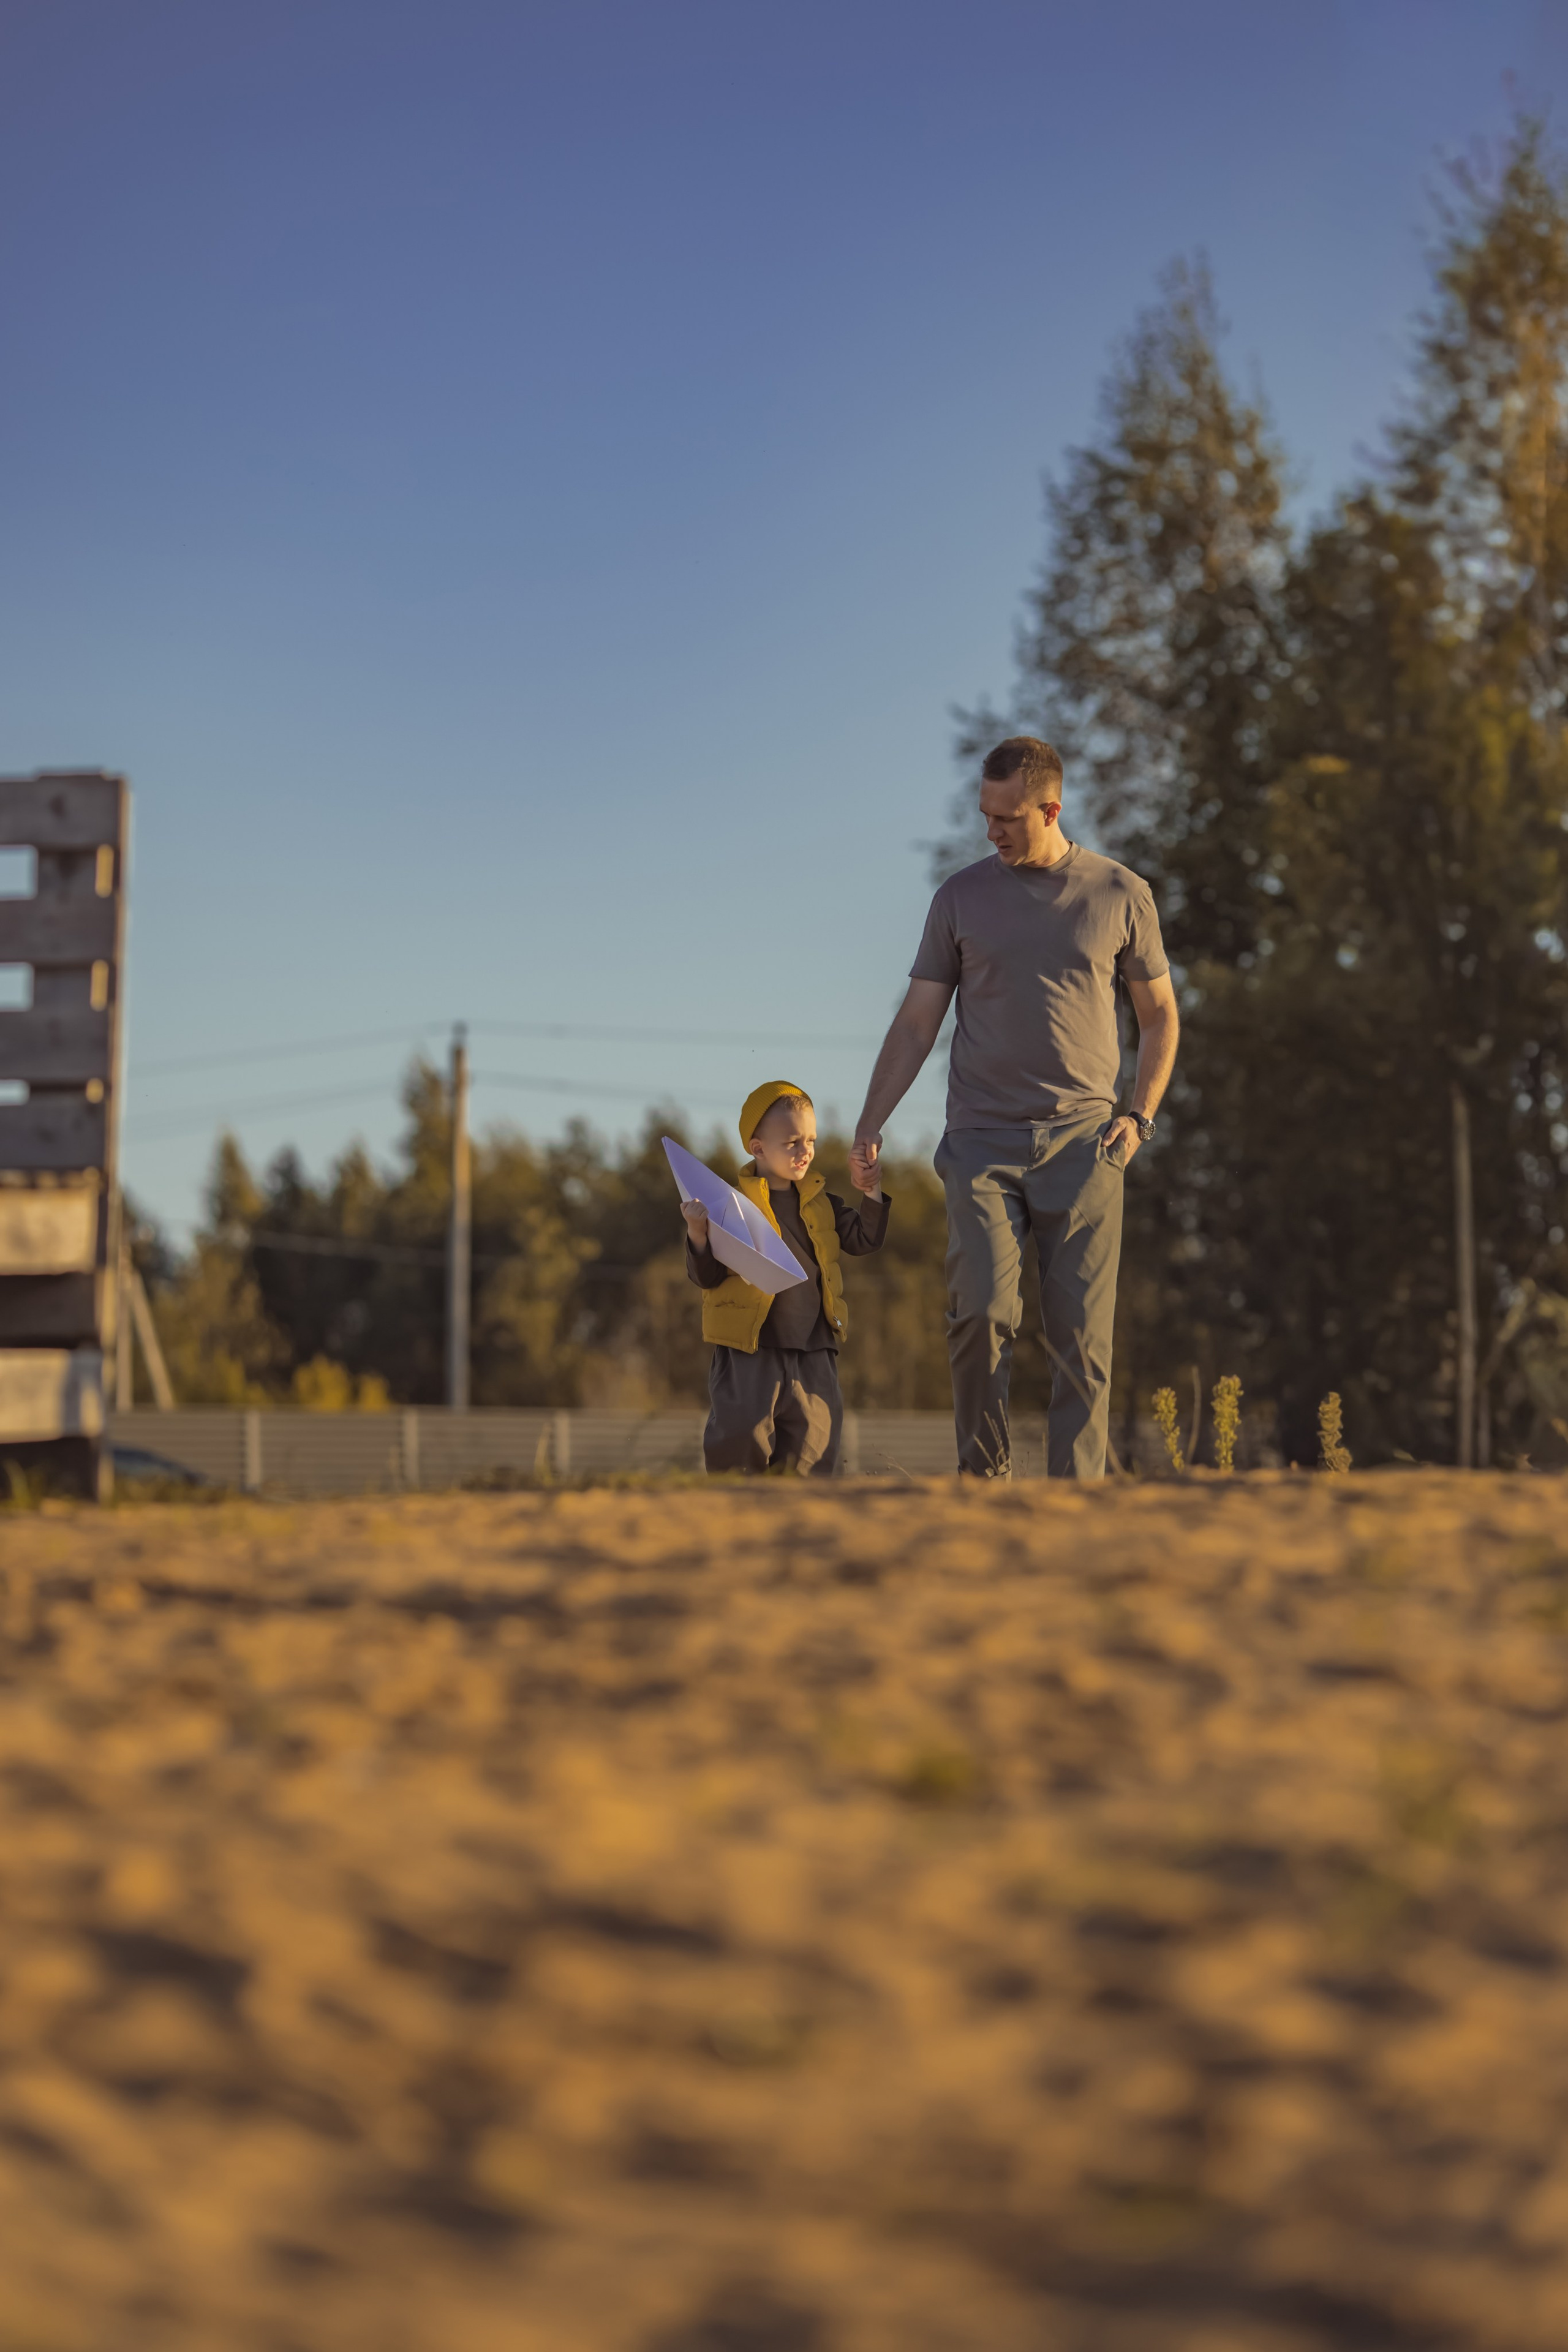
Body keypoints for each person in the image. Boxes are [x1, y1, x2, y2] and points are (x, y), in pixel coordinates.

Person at [850, 737, 1178, 1479]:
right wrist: (871, 1122)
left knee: (1082, 1342)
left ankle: (1075, 1503)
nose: (990, 831)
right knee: (980, 1315)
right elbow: (915, 1023)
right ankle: (984, 1484)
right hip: (981, 1143)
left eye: (1006, 818)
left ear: (1050, 809)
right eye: (983, 816)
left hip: (1087, 1145)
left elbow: (1159, 1017)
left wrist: (1138, 1119)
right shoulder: (959, 899)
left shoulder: (1120, 894)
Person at [684, 1080, 889, 1476]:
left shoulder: (824, 1202)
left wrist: (873, 1191)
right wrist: (696, 1233)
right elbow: (705, 1277)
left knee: (813, 1459)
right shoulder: (726, 1205)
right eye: (792, 1141)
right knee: (739, 1449)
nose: (805, 1151)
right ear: (757, 1147)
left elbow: (865, 1239)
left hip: (815, 1350)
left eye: (810, 1140)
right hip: (749, 1349)